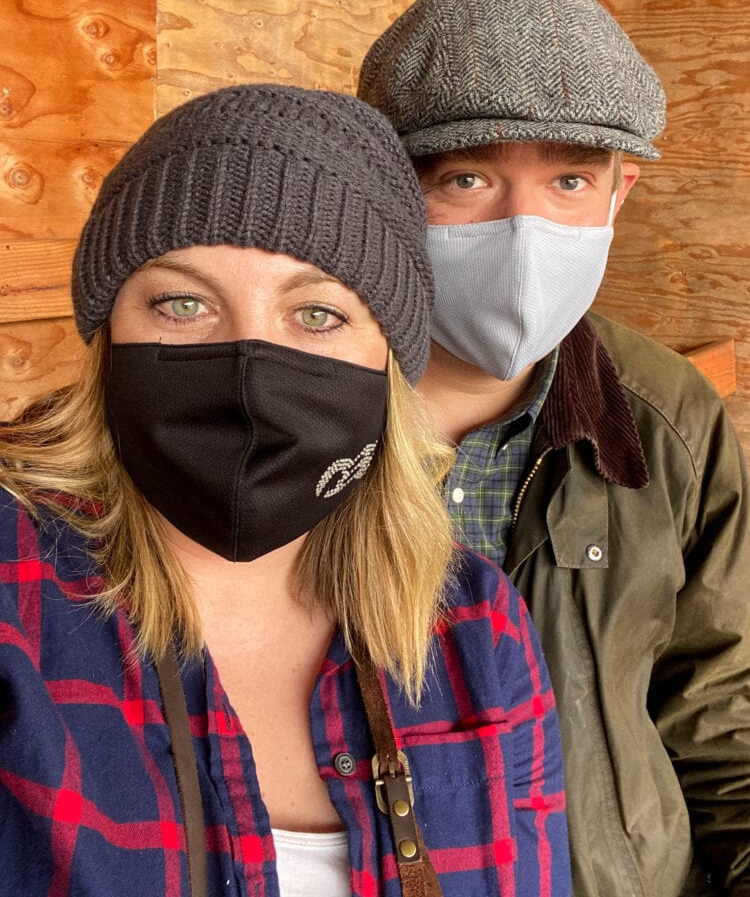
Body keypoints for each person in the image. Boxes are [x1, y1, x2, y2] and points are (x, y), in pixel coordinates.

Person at [0, 84, 571, 896]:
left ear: (387, 362)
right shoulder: (13, 592)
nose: (247, 365)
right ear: (108, 334)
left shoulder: (476, 630)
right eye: (183, 303)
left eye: (317, 315)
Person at [357, 0, 750, 897]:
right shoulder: (297, 406)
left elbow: (722, 709)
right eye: (467, 177)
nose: (523, 231)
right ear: (384, 187)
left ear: (621, 194)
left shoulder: (669, 416)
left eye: (569, 178)